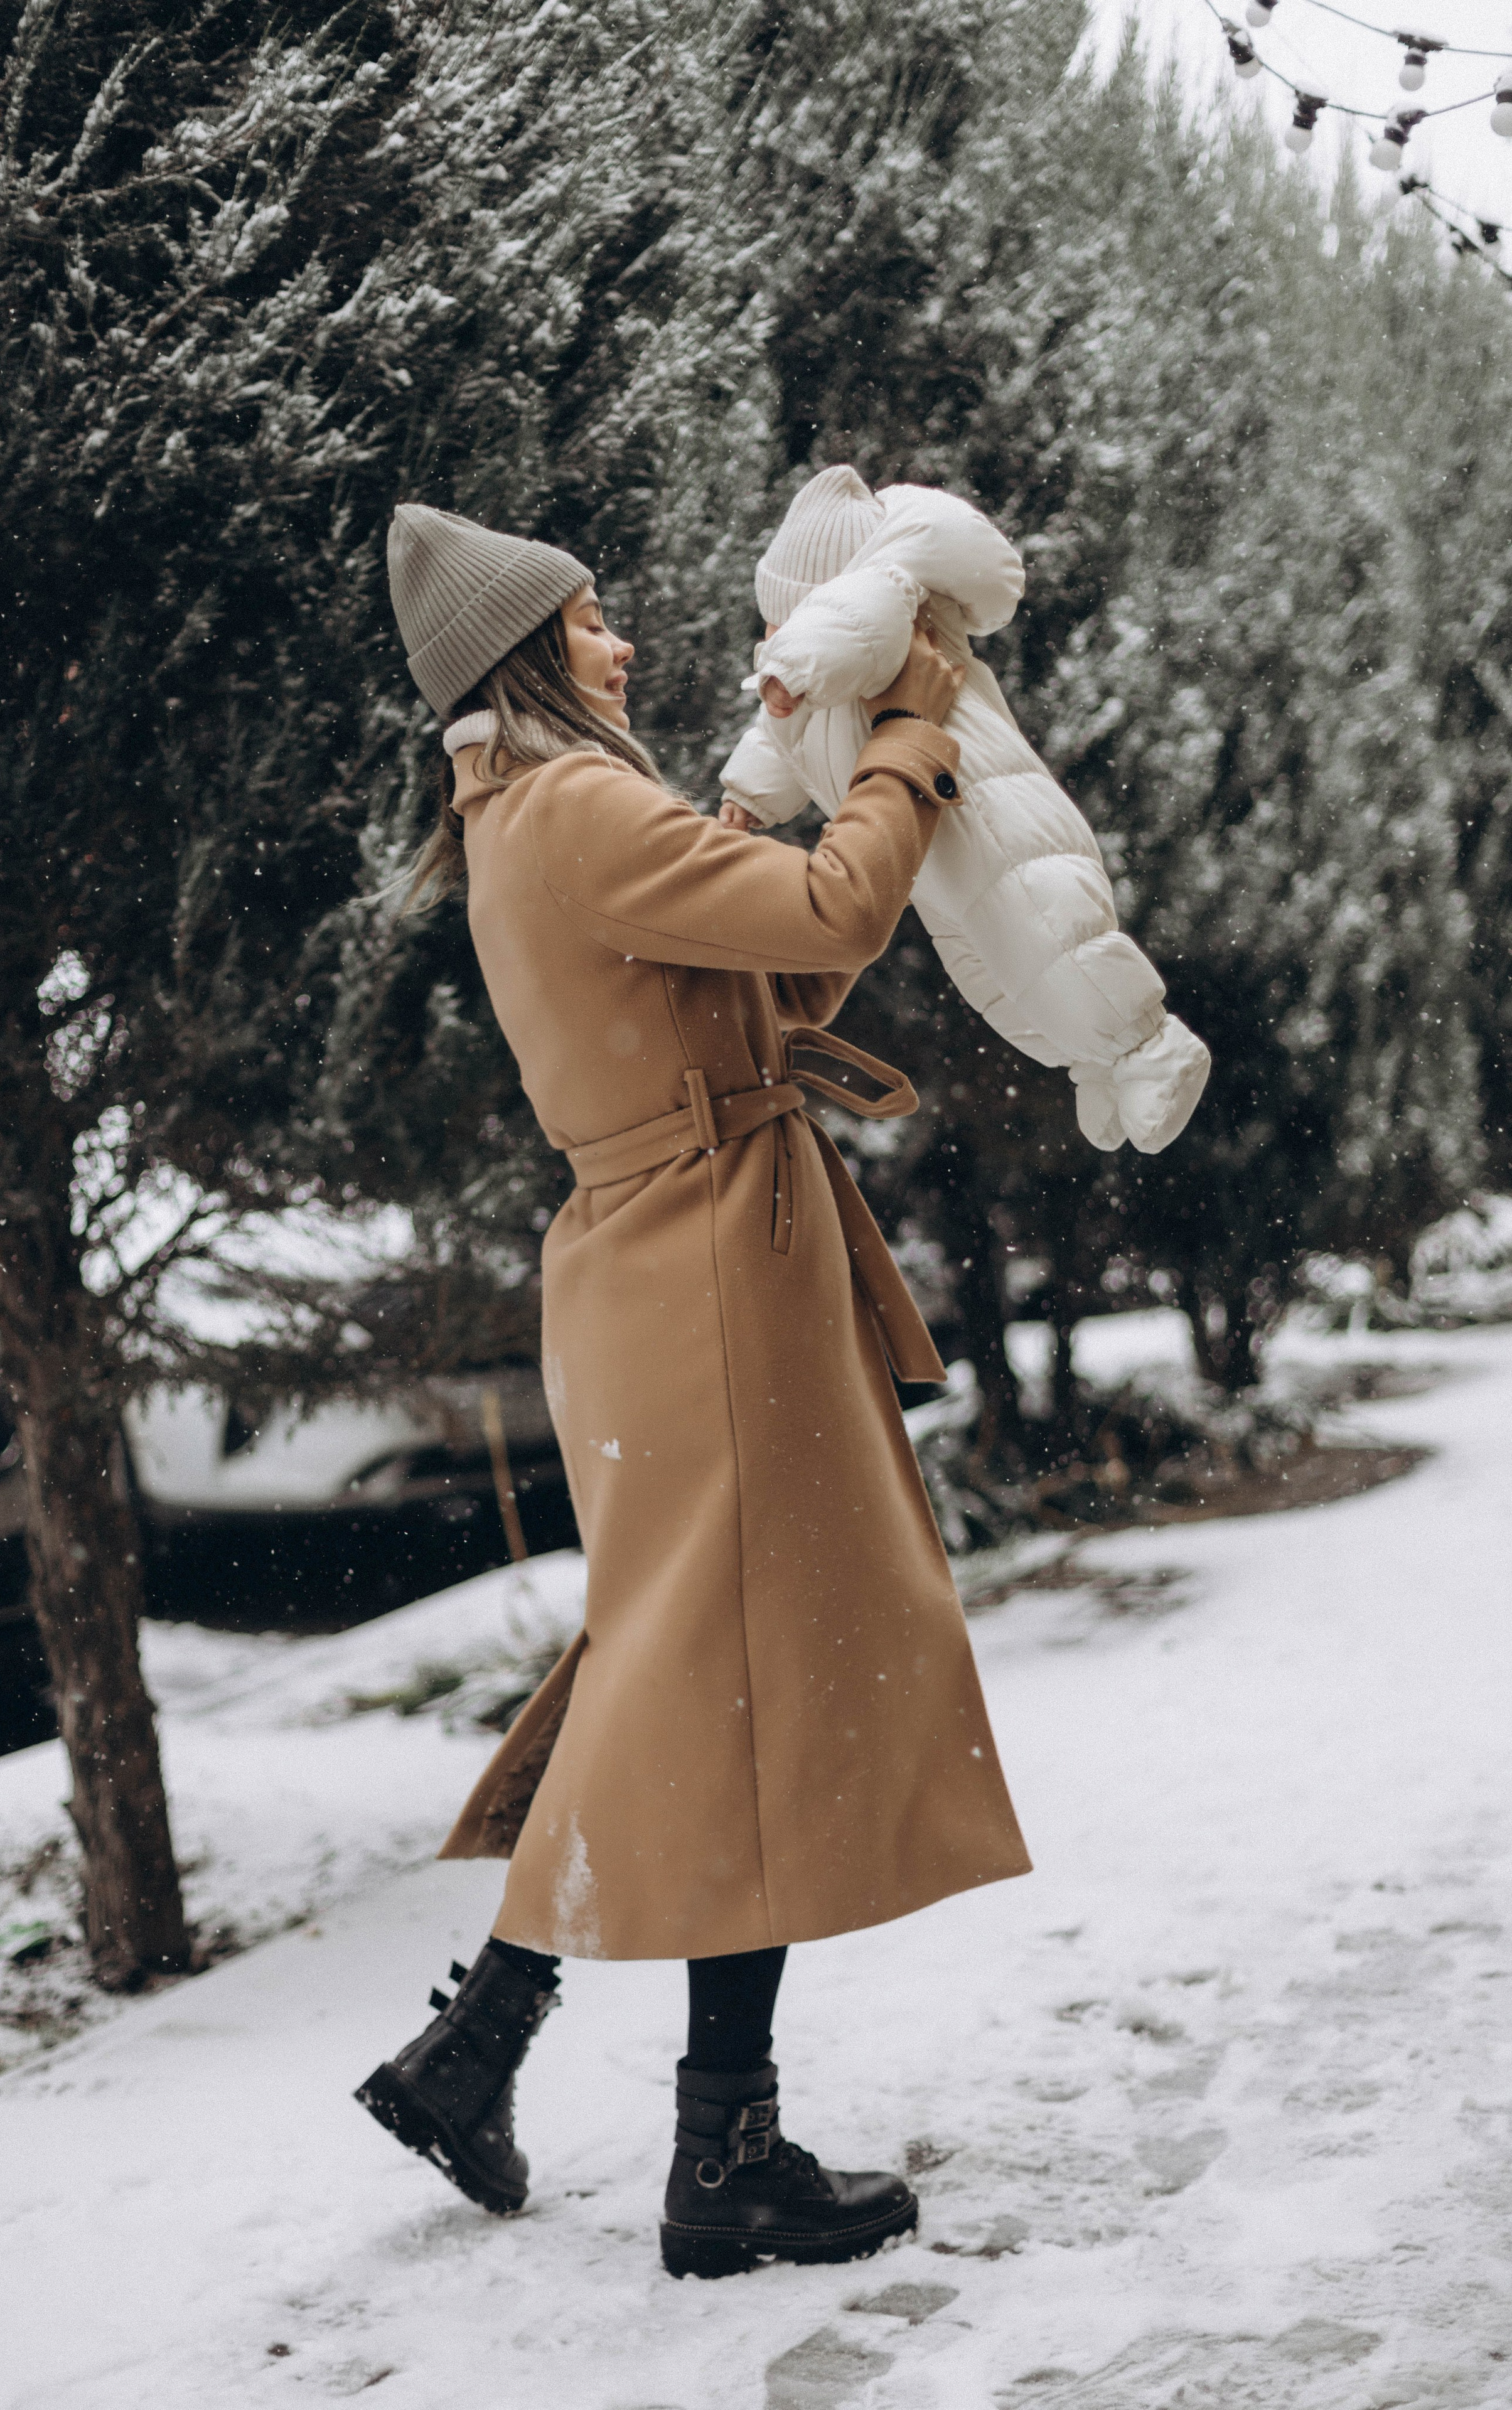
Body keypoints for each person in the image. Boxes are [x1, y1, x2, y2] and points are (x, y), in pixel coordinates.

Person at [355, 503, 1032, 2281]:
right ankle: (718, 2152)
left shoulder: (528, 812)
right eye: (589, 624)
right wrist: (912, 731)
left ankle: (479, 2048)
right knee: (744, 1687)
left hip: (670, 1260)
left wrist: (806, 807)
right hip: (709, 1268)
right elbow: (835, 900)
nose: (622, 643)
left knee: (686, 1663)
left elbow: (790, 960)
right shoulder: (575, 807)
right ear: (527, 657)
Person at [718, 466, 1210, 1155]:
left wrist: (789, 670)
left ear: (820, 597)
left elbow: (847, 627)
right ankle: (1091, 1062)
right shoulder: (818, 682)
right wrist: (747, 795)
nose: (771, 630)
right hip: (932, 851)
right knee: (997, 977)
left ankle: (1150, 1048)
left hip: (991, 821)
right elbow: (779, 739)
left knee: (1051, 938)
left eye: (782, 613)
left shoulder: (881, 600)